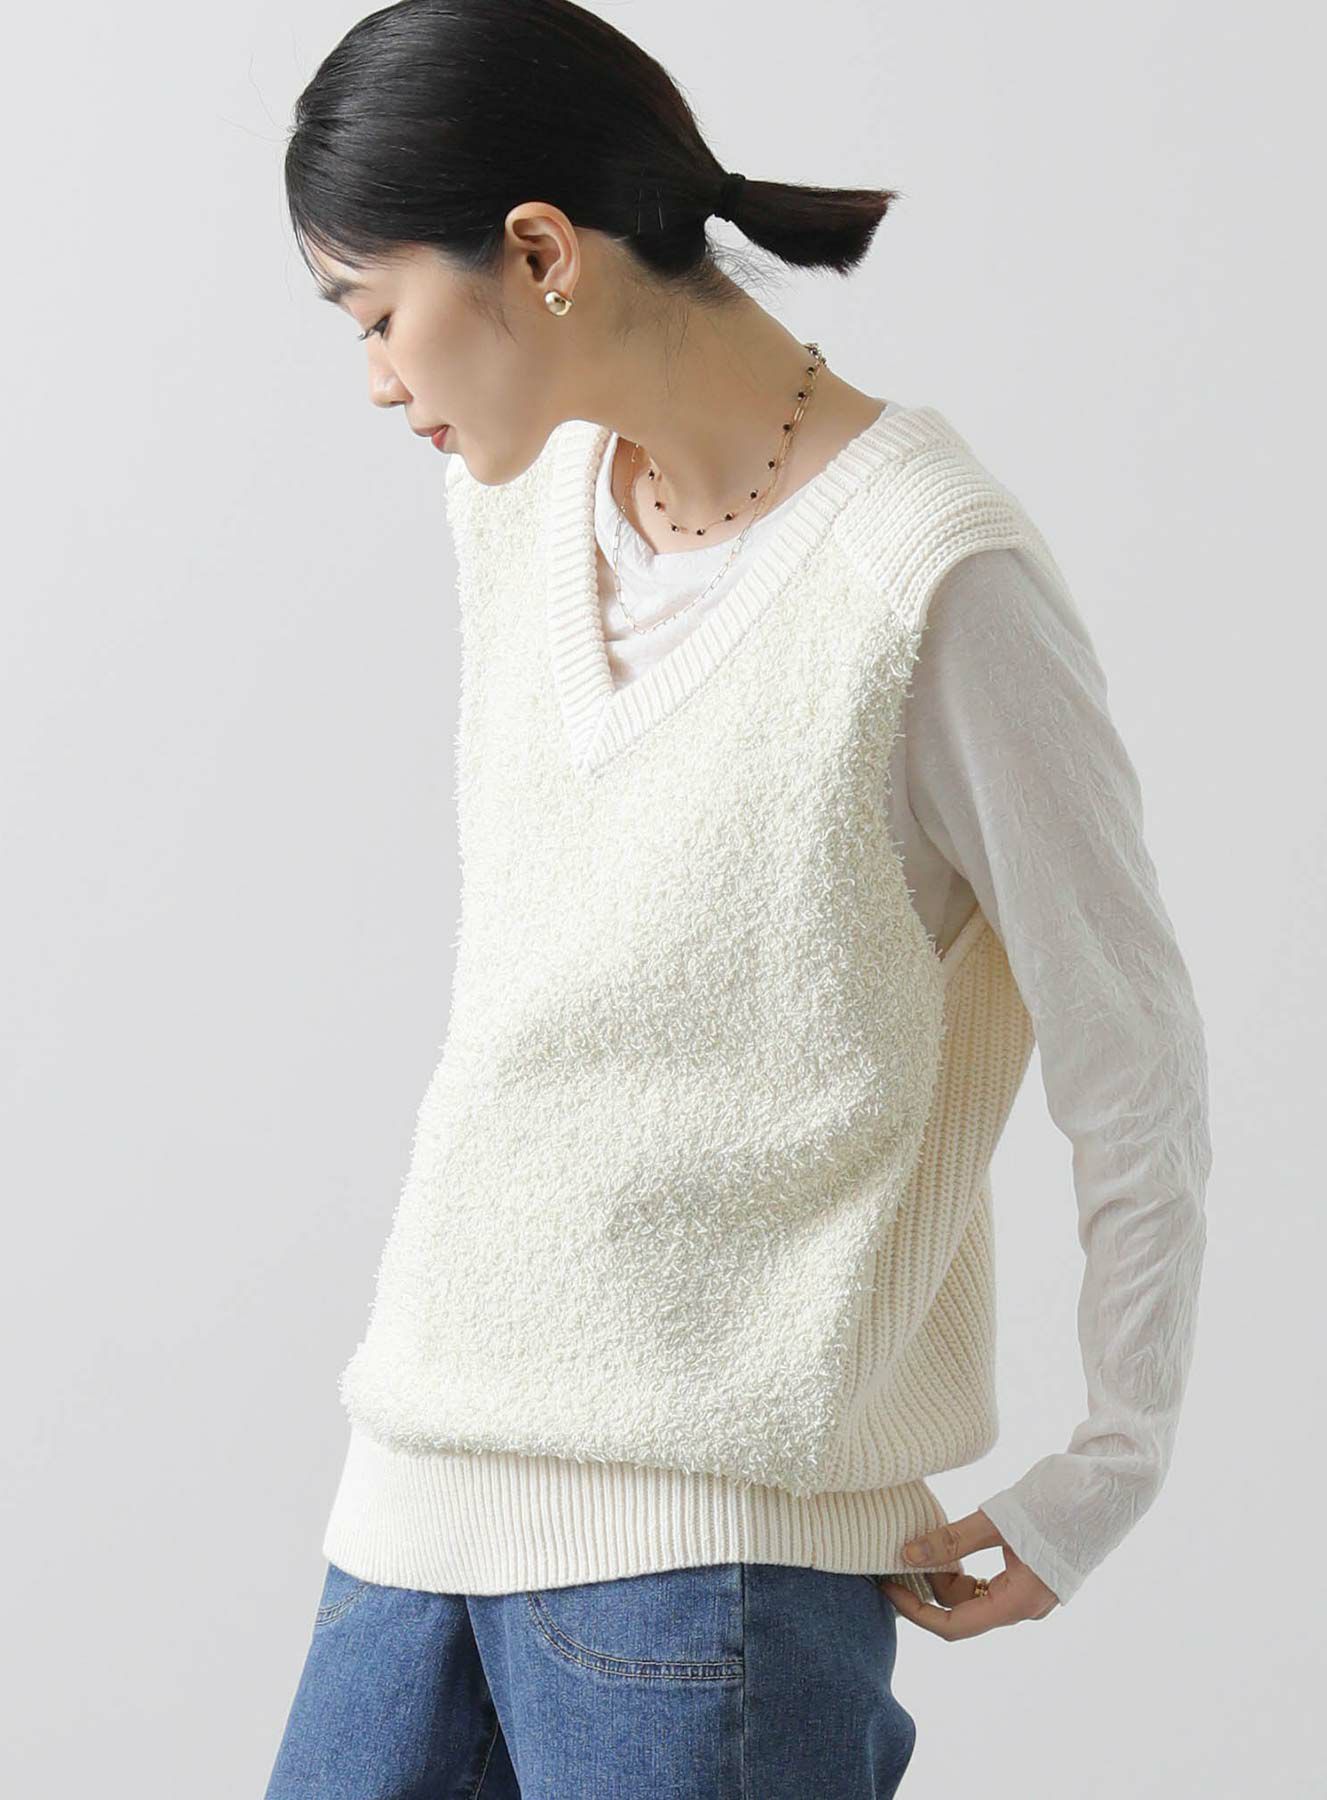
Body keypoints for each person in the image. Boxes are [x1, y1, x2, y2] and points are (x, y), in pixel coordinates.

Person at [266, 1, 1213, 1794]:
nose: (377, 377)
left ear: (538, 254)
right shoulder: (520, 502)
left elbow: (1135, 1050)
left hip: (717, 1549)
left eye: (375, 313)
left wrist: (1109, 1467)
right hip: (413, 1497)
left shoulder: (931, 580)